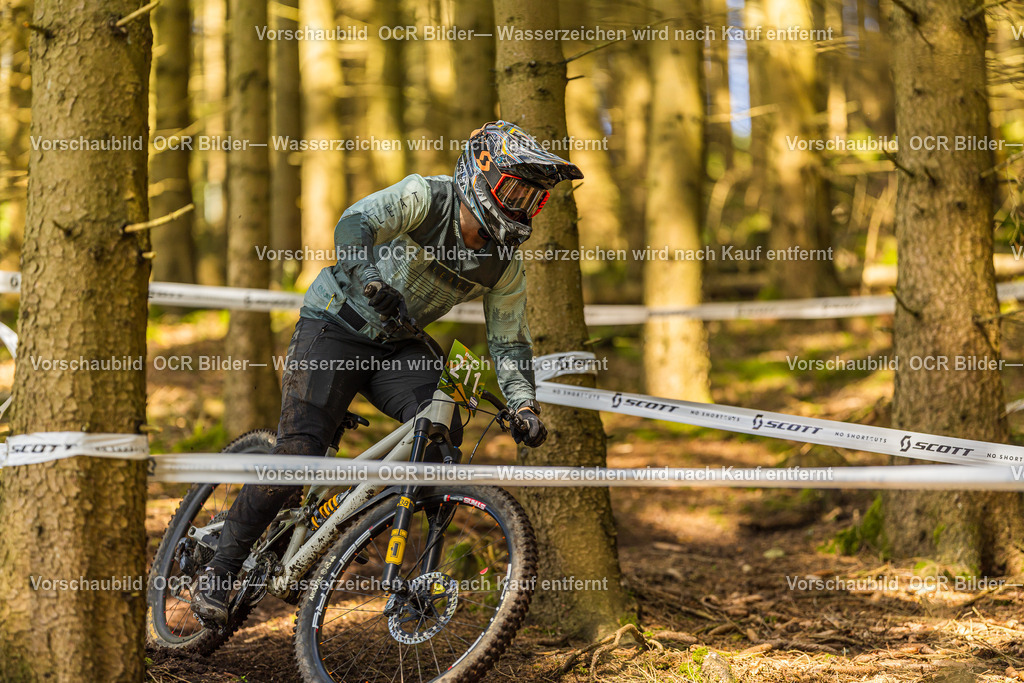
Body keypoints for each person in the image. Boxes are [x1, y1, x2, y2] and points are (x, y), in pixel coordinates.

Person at [191, 120, 583, 626]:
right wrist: (372, 281)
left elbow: (509, 340)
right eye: (513, 191)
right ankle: (221, 570)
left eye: (533, 200)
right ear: (480, 176)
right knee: (302, 452)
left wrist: (524, 404)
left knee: (440, 437)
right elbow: (355, 224)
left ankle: (357, 536)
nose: (521, 207)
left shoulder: (504, 264)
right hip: (337, 322)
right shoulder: (427, 197)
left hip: (398, 344)